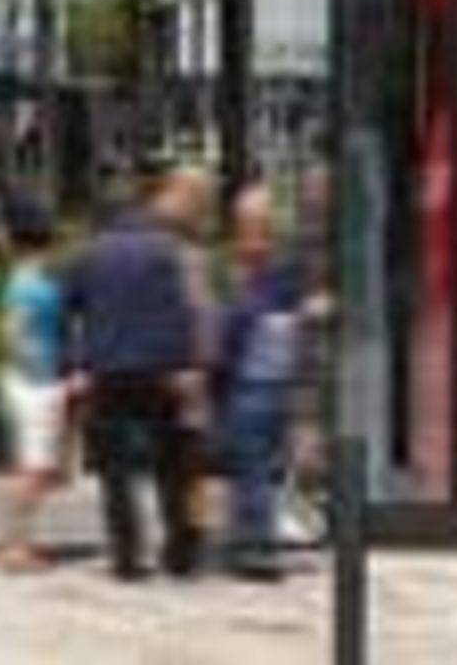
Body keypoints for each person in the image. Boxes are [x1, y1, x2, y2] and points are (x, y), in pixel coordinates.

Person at [63, 168, 208, 582]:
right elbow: (186, 310)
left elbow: (69, 310)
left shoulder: (88, 254)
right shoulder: (170, 249)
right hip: (163, 370)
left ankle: (126, 557)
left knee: (115, 472)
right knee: (173, 466)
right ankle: (179, 552)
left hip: (108, 372)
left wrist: (76, 365)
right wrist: (190, 366)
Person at [216, 185, 305, 581]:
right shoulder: (279, 269)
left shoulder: (261, 271)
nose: (246, 230)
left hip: (255, 383)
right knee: (255, 470)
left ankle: (257, 549)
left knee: (254, 471)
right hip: (265, 383)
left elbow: (241, 323)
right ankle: (248, 544)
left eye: (251, 221)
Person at [0, 205, 69, 573]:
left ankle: (17, 542)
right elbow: (10, 334)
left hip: (34, 380)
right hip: (33, 383)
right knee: (33, 469)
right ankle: (17, 548)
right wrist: (38, 372)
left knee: (37, 469)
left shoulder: (32, 278)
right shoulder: (26, 283)